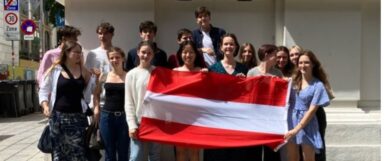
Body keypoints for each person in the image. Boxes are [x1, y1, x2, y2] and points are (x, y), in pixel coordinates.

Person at [205, 33, 257, 161]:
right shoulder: (212, 69)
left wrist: (245, 83)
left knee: (236, 152)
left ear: (236, 47)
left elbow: (250, 93)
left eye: (231, 44)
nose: (229, 46)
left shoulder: (244, 69)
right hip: (218, 117)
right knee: (218, 152)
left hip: (237, 118)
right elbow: (208, 92)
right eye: (226, 44)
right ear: (221, 48)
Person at [38, 41, 92, 161]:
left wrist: (95, 80)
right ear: (67, 53)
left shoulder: (84, 71)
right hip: (58, 118)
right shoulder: (55, 69)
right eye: (76, 52)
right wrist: (45, 106)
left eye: (80, 52)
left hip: (77, 118)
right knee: (59, 153)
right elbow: (43, 90)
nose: (79, 55)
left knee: (78, 153)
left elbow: (88, 95)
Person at [285, 50, 332, 161]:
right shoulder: (293, 81)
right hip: (291, 121)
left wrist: (296, 129)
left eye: (306, 62)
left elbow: (311, 111)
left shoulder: (318, 85)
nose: (303, 65)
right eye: (300, 63)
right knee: (293, 159)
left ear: (313, 64)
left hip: (308, 124)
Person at [125, 41, 161, 161]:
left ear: (153, 55)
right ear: (138, 53)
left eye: (149, 53)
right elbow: (129, 102)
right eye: (143, 52)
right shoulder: (131, 74)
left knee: (154, 156)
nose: (145, 55)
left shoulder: (158, 73)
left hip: (155, 122)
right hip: (138, 122)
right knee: (135, 157)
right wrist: (131, 125)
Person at [247, 44, 282, 161]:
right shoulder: (252, 73)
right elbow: (247, 95)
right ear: (267, 55)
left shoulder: (278, 73)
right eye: (275, 55)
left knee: (270, 150)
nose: (277, 58)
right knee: (254, 150)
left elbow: (281, 94)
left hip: (271, 119)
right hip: (255, 118)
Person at [93, 47, 129, 161]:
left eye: (117, 57)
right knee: (109, 152)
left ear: (123, 58)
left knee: (123, 151)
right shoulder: (104, 76)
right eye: (111, 58)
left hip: (124, 117)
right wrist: (96, 109)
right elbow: (96, 94)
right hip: (106, 117)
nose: (114, 60)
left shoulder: (129, 75)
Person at [173, 41, 206, 161]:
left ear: (196, 54)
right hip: (178, 117)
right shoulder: (174, 72)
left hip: (196, 117)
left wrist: (206, 77)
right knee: (180, 151)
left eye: (191, 52)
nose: (188, 55)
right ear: (180, 54)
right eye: (185, 52)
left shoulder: (202, 72)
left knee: (195, 151)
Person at [85, 22, 115, 121]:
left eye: (105, 33)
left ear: (111, 34)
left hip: (112, 98)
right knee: (95, 132)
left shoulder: (116, 53)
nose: (102, 36)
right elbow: (87, 76)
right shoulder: (92, 54)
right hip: (96, 98)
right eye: (100, 33)